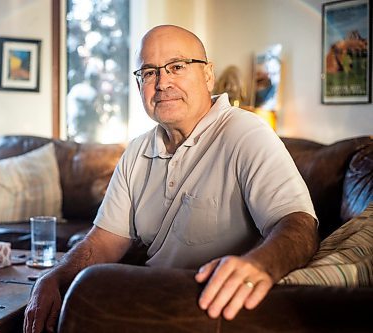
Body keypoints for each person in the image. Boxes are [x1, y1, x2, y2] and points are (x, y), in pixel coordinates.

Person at [24, 25, 318, 333]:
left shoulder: (246, 133)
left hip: (213, 311)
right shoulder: (137, 150)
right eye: (150, 72)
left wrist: (260, 265)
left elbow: (299, 224)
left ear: (207, 75)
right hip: (150, 304)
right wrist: (55, 276)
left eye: (177, 67)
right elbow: (103, 242)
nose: (163, 83)